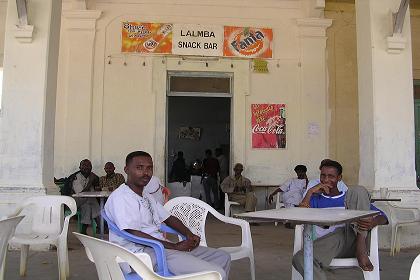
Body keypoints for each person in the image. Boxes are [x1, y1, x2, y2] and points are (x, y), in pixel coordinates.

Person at [104, 151, 231, 279]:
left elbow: (169, 218)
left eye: (149, 168)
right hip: (141, 254)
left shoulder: (146, 195)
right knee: (216, 273)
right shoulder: (122, 197)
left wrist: (189, 234)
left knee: (222, 257)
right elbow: (132, 233)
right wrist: (175, 246)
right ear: (126, 169)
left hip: (162, 247)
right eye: (139, 168)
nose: (146, 173)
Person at [292, 160, 388, 280]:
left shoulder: (349, 198)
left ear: (339, 178)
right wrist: (310, 192)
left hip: (353, 241)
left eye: (331, 176)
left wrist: (373, 222)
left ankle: (360, 246)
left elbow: (383, 217)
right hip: (325, 246)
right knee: (300, 259)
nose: (326, 180)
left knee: (357, 190)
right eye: (323, 175)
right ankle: (360, 248)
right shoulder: (315, 199)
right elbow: (297, 219)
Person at [62, 159, 100, 235]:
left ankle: (84, 229)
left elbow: (93, 191)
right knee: (90, 201)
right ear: (80, 167)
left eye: (89, 166)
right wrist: (90, 182)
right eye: (84, 165)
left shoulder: (92, 176)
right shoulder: (76, 177)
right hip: (74, 200)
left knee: (88, 205)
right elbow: (81, 194)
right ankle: (100, 225)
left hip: (86, 201)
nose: (87, 167)